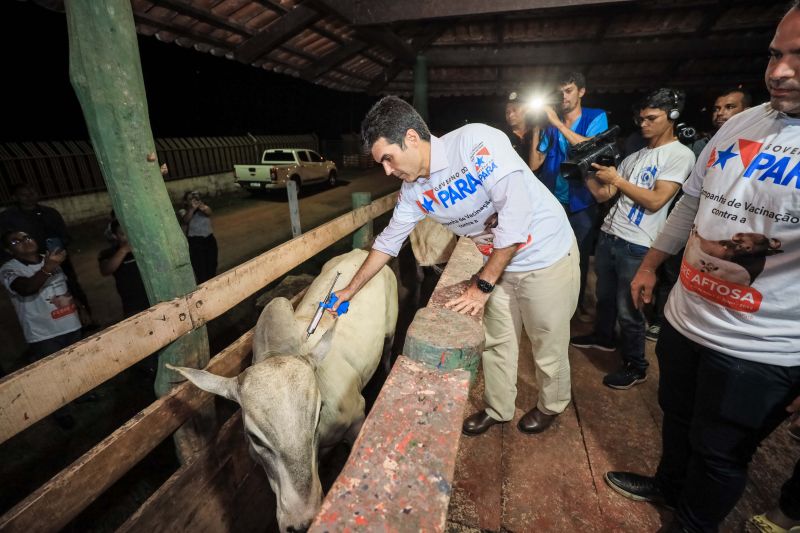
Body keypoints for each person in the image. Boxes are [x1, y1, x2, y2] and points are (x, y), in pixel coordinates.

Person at [604, 4, 800, 531]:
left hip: (761, 347)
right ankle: (668, 486)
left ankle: (691, 523)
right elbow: (690, 204)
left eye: (799, 57)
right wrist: (650, 266)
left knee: (719, 453)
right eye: (776, 54)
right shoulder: (742, 122)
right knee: (677, 417)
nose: (780, 70)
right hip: (687, 317)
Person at [331, 95, 579, 436]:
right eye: (381, 164)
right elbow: (388, 242)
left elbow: (515, 219)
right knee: (497, 341)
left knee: (547, 342)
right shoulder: (414, 190)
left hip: (545, 255)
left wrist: (482, 285)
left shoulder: (476, 143)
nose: (387, 171)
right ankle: (499, 408)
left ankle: (552, 404)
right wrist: (348, 290)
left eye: (388, 158)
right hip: (498, 265)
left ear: (412, 138)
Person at [570, 88, 695, 389]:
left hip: (639, 243)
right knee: (604, 297)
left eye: (652, 118)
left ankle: (636, 365)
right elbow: (605, 195)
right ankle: (603, 338)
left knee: (631, 309)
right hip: (612, 235)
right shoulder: (635, 155)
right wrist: (585, 169)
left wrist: (617, 179)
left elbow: (656, 201)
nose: (644, 124)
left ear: (672, 117)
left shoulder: (680, 154)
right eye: (641, 119)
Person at [531, 71, 609, 315]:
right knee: (549, 253)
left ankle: (573, 308)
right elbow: (535, 163)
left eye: (568, 91)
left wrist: (556, 124)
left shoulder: (595, 117)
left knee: (578, 257)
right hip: (553, 201)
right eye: (560, 92)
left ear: (581, 92)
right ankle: (550, 303)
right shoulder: (550, 124)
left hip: (581, 202)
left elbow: (590, 150)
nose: (563, 96)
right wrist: (537, 127)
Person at [0, 183, 93, 319]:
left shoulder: (50, 213)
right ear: (14, 197)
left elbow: (64, 235)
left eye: (32, 192)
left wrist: (58, 246)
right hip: (28, 264)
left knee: (70, 286)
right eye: (24, 195)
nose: (30, 197)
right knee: (39, 294)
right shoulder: (8, 218)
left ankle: (84, 317)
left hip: (57, 258)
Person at [0, 230, 82, 362]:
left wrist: (79, 309)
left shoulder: (49, 258)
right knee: (57, 375)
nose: (25, 241)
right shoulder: (9, 269)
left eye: (27, 237)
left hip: (72, 326)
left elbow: (63, 287)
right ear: (8, 250)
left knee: (82, 367)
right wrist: (48, 268)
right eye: (16, 241)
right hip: (44, 335)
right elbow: (26, 289)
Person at [98, 219, 149, 318]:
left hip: (155, 298)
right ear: (114, 236)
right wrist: (124, 250)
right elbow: (106, 270)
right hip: (133, 305)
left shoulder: (143, 246)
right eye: (123, 234)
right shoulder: (109, 253)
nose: (128, 236)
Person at [692, 88, 753, 158]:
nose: (719, 113)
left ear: (747, 112)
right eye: (716, 109)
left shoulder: (760, 141)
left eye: (729, 107)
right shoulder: (701, 145)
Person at [178, 190, 217, 284]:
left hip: (209, 239)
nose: (193, 200)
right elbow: (185, 220)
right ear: (185, 202)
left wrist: (201, 206)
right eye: (190, 199)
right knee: (200, 270)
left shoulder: (203, 207)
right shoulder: (183, 210)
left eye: (194, 198)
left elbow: (209, 212)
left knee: (212, 266)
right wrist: (191, 209)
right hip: (196, 242)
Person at [504, 91, 537, 170]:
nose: (510, 115)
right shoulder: (503, 137)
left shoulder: (536, 132)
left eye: (514, 110)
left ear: (526, 110)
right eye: (507, 112)